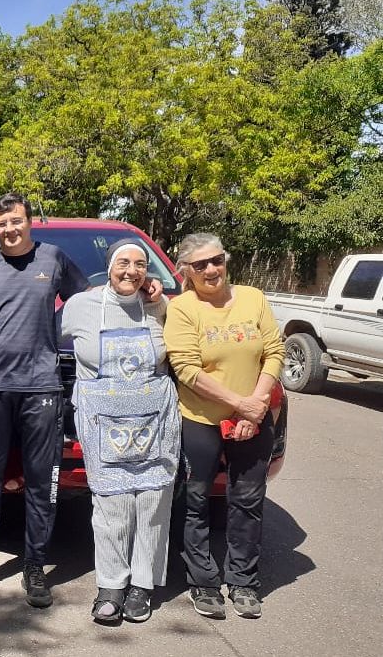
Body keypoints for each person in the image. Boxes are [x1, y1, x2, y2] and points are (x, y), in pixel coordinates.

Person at [0, 193, 91, 608]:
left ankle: (35, 565)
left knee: (42, 483)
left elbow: (85, 300)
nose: (9, 229)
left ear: (29, 222)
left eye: (15, 221)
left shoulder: (54, 258)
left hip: (42, 385)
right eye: (1, 224)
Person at [60, 238, 181, 624]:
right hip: (102, 423)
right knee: (111, 507)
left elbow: (189, 342)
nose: (131, 270)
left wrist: (160, 303)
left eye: (140, 264)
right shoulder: (81, 306)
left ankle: (142, 586)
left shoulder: (161, 308)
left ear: (149, 271)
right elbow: (38, 333)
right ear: (109, 267)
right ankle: (111, 585)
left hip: (155, 422)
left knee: (152, 504)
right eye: (123, 263)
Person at [164, 233, 284, 620]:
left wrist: (256, 406)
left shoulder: (253, 298)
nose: (211, 270)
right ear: (186, 271)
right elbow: (185, 368)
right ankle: (203, 581)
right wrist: (240, 405)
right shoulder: (182, 308)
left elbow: (274, 352)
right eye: (200, 265)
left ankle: (244, 581)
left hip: (253, 417)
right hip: (200, 420)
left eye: (216, 260)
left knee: (247, 501)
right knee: (195, 501)